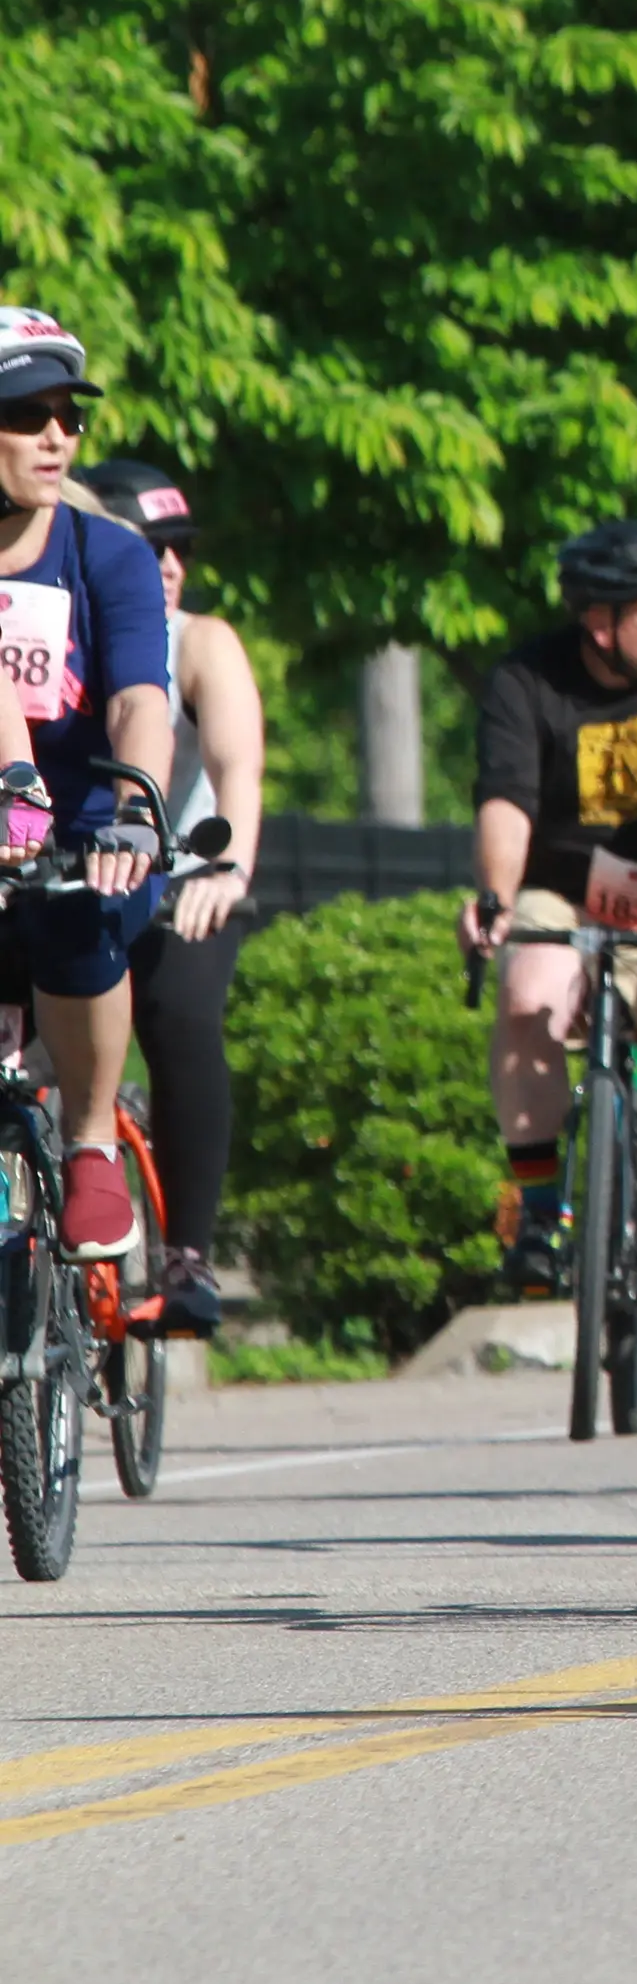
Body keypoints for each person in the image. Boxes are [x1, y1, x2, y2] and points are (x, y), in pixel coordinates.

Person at [462, 521, 637, 1334]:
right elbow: (506, 801)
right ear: (602, 625)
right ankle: (542, 1217)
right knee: (527, 995)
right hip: (562, 897)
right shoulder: (525, 680)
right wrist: (494, 897)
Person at [0, 311, 173, 1290]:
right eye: (28, 416)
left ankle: (93, 1137)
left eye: (69, 416)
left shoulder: (108, 555)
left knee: (75, 915)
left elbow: (139, 699)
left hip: (85, 835)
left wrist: (135, 814)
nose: (58, 437)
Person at [78, 461, 253, 1337]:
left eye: (178, 548)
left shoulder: (201, 641)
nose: (170, 565)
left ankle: (187, 1256)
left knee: (182, 1016)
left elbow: (235, 764)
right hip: (69, 875)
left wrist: (229, 867)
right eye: (150, 548)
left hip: (184, 879)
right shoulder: (57, 624)